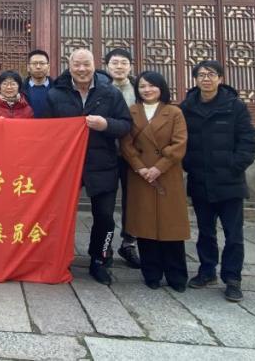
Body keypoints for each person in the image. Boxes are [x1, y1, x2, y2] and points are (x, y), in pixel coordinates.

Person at [45, 48, 131, 285]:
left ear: (94, 65)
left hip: (102, 164)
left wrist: (106, 125)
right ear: (69, 65)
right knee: (59, 215)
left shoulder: (110, 93)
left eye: (86, 64)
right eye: (77, 65)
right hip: (66, 166)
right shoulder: (55, 94)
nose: (82, 69)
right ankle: (58, 257)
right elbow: (45, 130)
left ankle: (100, 259)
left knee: (104, 216)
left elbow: (126, 125)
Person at [181, 59, 255, 302]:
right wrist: (189, 165)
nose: (206, 79)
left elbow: (249, 140)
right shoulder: (187, 107)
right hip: (200, 180)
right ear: (195, 79)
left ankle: (233, 279)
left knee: (233, 235)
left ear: (220, 79)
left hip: (230, 183)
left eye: (211, 74)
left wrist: (234, 165)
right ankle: (207, 271)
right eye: (201, 75)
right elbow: (180, 140)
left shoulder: (234, 106)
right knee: (205, 232)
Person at [120, 70, 189, 291]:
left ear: (161, 88)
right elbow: (126, 143)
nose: (147, 90)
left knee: (171, 227)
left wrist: (159, 167)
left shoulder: (174, 112)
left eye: (151, 85)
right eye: (142, 86)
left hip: (167, 174)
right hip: (140, 175)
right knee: (145, 226)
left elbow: (179, 143)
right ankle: (151, 273)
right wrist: (140, 167)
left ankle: (176, 275)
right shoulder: (131, 111)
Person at [104, 48, 141, 270]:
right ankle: (105, 245)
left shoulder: (140, 89)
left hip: (134, 155)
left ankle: (129, 243)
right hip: (107, 153)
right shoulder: (101, 89)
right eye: (114, 63)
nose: (119, 67)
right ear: (107, 66)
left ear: (130, 66)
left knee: (133, 201)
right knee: (105, 203)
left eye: (123, 62)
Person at [25, 49, 52, 118]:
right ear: (28, 67)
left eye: (42, 63)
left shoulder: (58, 89)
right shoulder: (20, 90)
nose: (38, 67)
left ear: (48, 67)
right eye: (34, 63)